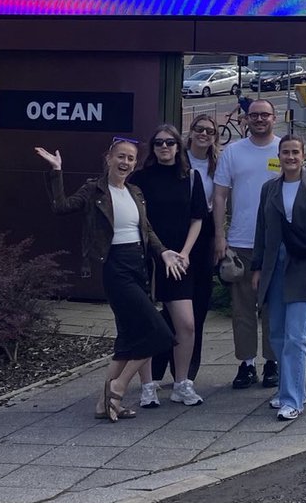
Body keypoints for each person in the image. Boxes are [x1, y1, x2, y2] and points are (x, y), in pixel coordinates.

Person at [38, 138, 185, 421]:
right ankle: (117, 388)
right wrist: (56, 172)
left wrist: (164, 252)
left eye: (130, 158)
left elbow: (147, 230)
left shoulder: (135, 192)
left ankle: (102, 405)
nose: (125, 162)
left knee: (128, 340)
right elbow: (61, 206)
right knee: (160, 334)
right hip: (114, 267)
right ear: (108, 158)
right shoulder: (94, 190)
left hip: (139, 267)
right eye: (120, 156)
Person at [251, 133, 306, 421]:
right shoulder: (269, 189)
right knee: (276, 334)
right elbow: (262, 229)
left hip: (304, 265)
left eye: (295, 152)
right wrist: (257, 267)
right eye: (285, 152)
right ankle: (291, 387)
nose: (290, 157)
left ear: (303, 155)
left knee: (296, 335)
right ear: (279, 155)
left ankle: (293, 399)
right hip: (274, 266)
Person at [131, 123, 207, 407]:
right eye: (159, 143)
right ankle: (148, 386)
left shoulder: (191, 177)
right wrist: (159, 250)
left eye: (170, 143)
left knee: (186, 324)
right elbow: (140, 219)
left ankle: (181, 383)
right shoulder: (140, 179)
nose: (165, 147)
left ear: (179, 146)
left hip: (179, 262)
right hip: (148, 260)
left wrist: (185, 253)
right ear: (152, 148)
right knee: (146, 325)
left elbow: (197, 218)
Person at [213, 98, 281, 390]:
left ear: (274, 118)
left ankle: (272, 362)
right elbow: (219, 196)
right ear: (245, 120)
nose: (259, 119)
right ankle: (246, 364)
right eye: (254, 115)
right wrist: (219, 235)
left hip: (275, 243)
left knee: (273, 308)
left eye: (265, 115)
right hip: (241, 242)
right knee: (242, 309)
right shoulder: (233, 152)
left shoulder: (284, 149)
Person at [182, 112, 218, 384]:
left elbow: (221, 202)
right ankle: (164, 362)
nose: (204, 134)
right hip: (178, 233)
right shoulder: (178, 160)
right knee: (175, 303)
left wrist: (221, 237)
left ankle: (190, 369)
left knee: (199, 303)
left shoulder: (217, 165)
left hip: (205, 234)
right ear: (191, 132)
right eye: (199, 129)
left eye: (209, 130)